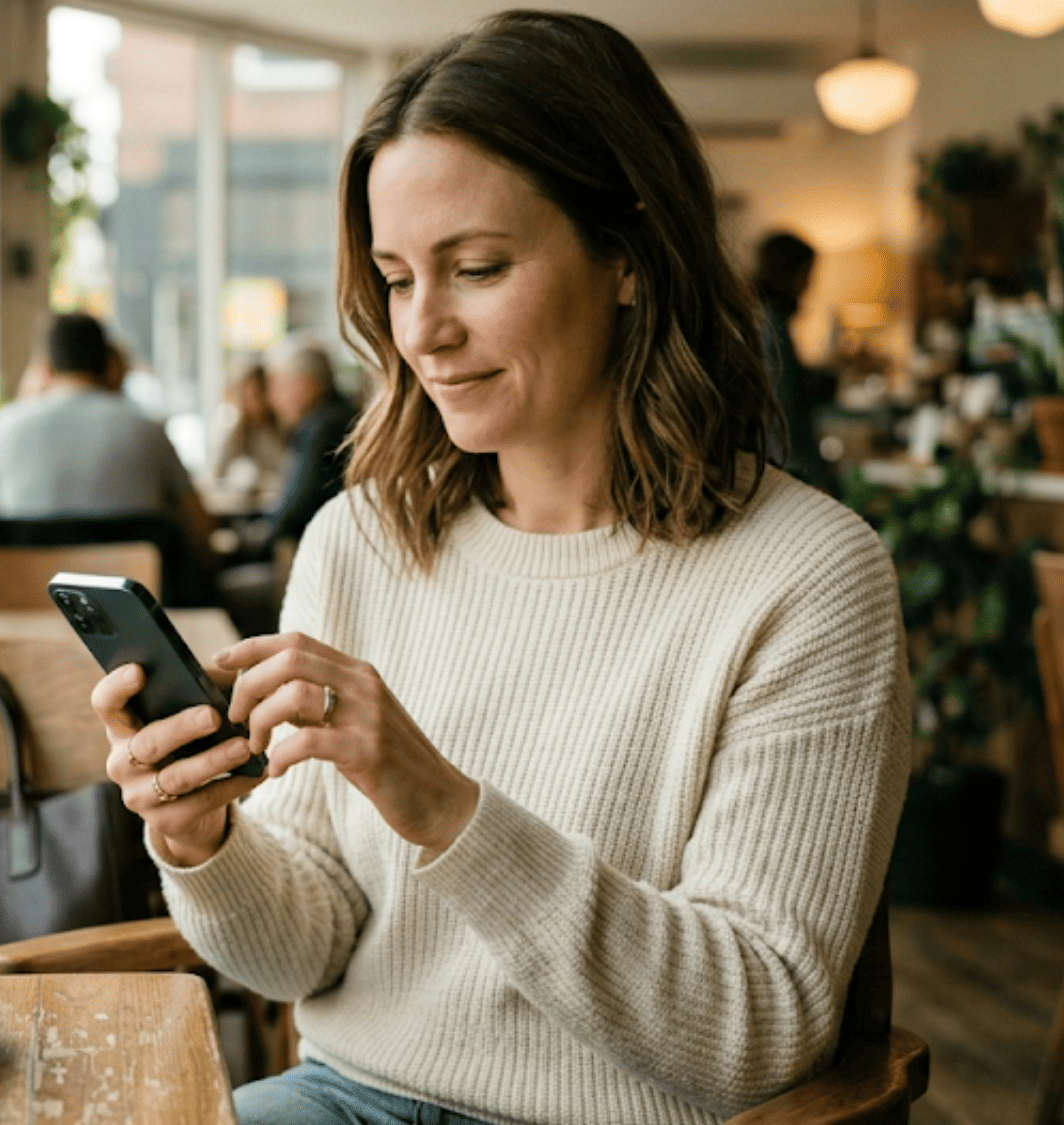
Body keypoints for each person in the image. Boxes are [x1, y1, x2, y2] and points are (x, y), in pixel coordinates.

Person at [93, 12, 909, 1125]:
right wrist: (203, 841)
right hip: (346, 1097)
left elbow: (754, 1031)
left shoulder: (807, 578)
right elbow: (298, 953)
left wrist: (439, 803)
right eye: (393, 277)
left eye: (474, 268)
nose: (421, 330)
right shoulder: (361, 539)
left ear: (625, 257)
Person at [0, 312, 217, 602]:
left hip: (23, 607)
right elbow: (201, 532)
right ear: (107, 362)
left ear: (44, 366)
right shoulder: (149, 431)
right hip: (132, 618)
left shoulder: (2, 427)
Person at [754, 231, 838, 489]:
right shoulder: (771, 324)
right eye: (807, 274)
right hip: (788, 463)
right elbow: (784, 399)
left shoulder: (768, 319)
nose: (809, 284)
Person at [255, 334, 354, 548]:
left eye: (278, 385)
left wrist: (248, 543)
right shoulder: (340, 415)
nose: (272, 398)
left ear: (305, 383)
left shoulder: (322, 428)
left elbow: (293, 513)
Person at [206, 357, 288, 505]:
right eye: (245, 397)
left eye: (255, 396)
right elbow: (216, 475)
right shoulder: (234, 431)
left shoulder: (283, 430)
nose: (250, 404)